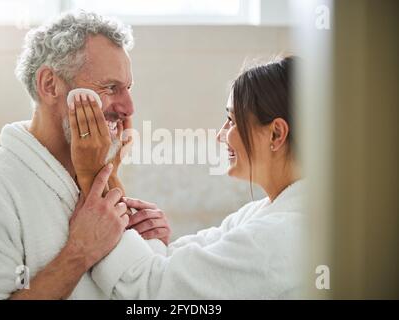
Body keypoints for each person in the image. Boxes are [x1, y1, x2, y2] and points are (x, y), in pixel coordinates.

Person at [0, 11, 170, 300]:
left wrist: (152, 249)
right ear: (50, 85)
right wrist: (78, 252)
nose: (129, 108)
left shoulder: (95, 179)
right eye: (110, 87)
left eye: (128, 88)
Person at [74, 56, 305, 299]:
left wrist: (92, 175)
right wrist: (110, 175)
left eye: (232, 121)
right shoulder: (259, 214)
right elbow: (171, 268)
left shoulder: (281, 235)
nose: (220, 135)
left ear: (276, 134)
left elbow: (152, 292)